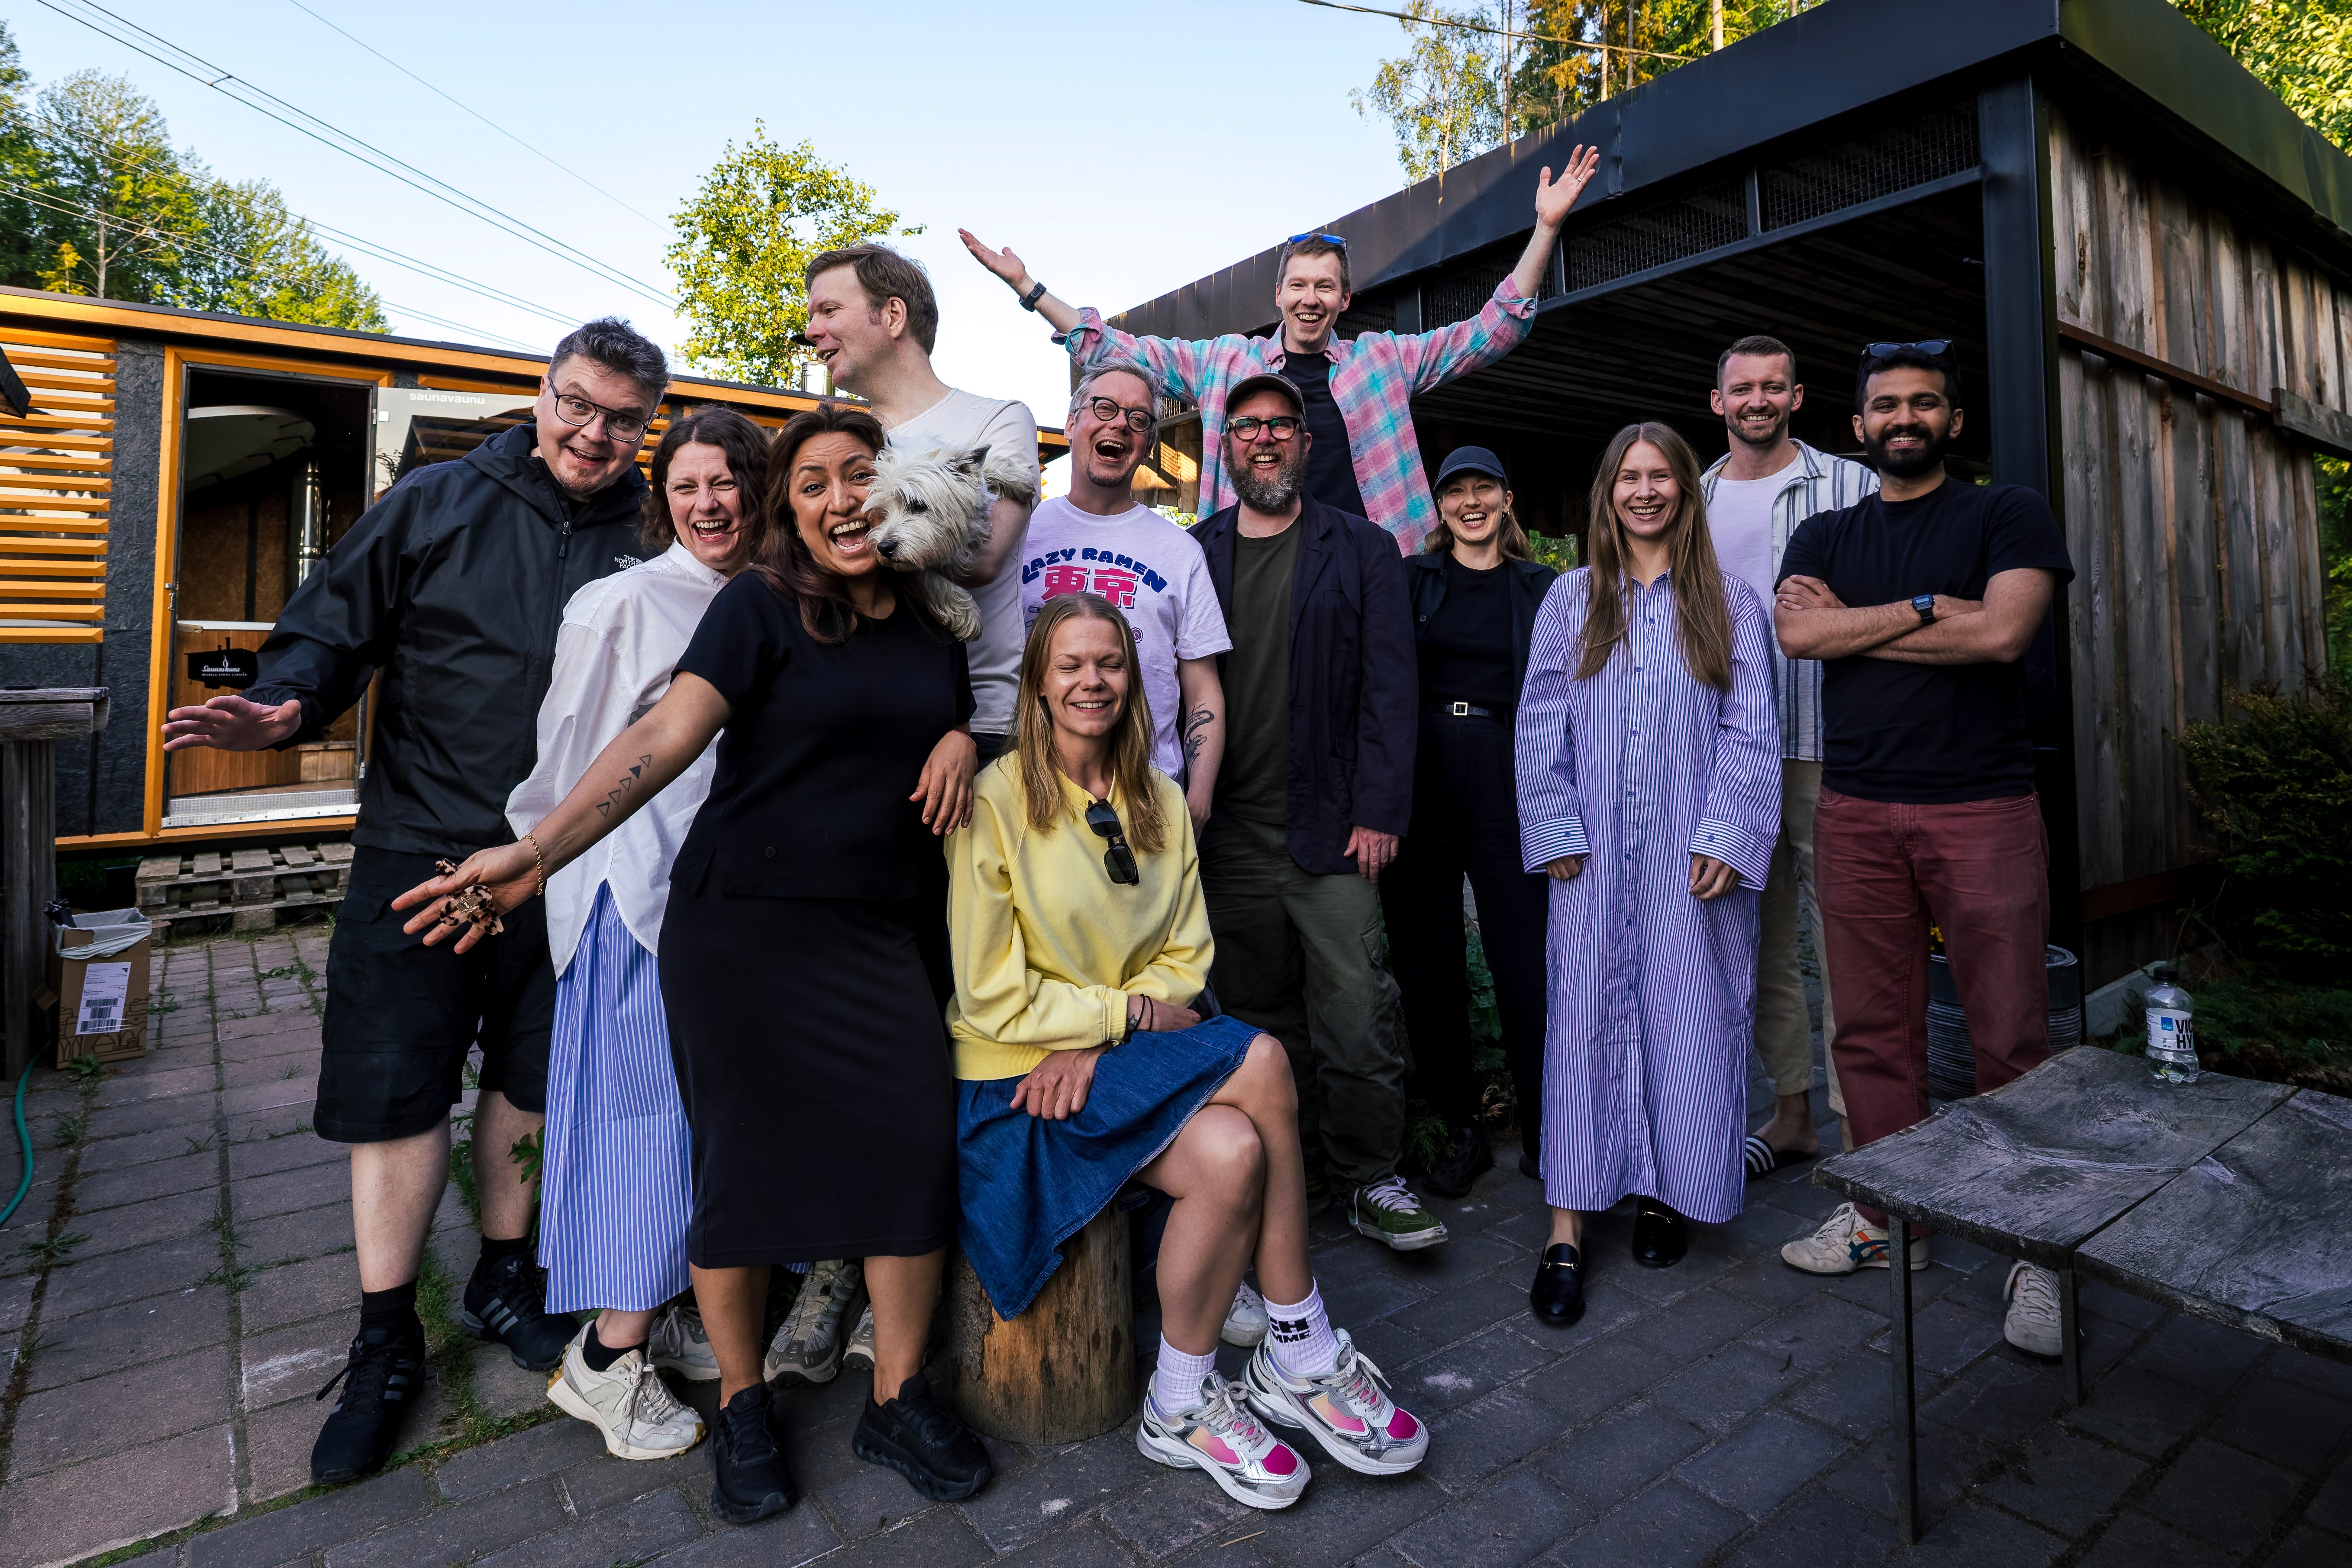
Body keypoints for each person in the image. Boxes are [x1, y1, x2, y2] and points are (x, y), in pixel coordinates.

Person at [395, 406, 992, 1523]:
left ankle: (900, 1395)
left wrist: (964, 736)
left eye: (859, 474)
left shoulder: (929, 625)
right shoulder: (759, 610)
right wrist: (535, 851)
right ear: (789, 511)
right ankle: (746, 1401)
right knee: (740, 1168)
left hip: (878, 933)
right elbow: (660, 741)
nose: (840, 498)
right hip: (744, 935)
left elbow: (948, 724)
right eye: (810, 483)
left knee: (913, 1146)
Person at [159, 319, 670, 1484]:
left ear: (648, 425)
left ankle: (505, 1272)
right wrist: (285, 703)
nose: (596, 433)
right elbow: (333, 627)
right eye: (579, 403)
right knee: (398, 1087)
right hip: (420, 852)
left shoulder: (654, 532)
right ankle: (386, 1330)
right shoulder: (438, 501)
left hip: (570, 864)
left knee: (536, 1076)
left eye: (623, 417)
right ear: (544, 394)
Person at [949, 593, 1428, 1510]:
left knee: (1234, 1150)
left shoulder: (1159, 798)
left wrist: (1109, 1033)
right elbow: (990, 990)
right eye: (1071, 665)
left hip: (1105, 1061)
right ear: (1038, 685)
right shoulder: (996, 799)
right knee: (1260, 1061)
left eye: (1110, 663)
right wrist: (1118, 1019)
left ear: (1135, 678)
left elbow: (1186, 955)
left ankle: (1177, 1399)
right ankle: (1300, 1340)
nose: (1092, 681)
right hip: (1014, 1082)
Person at [1771, 342, 2075, 1362]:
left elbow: (2003, 638)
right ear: (1857, 426)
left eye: (1923, 404)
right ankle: (1888, 1217)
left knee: (2011, 1038)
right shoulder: (1826, 527)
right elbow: (1799, 639)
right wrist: (1931, 607)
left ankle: (2040, 1245)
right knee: (1868, 1032)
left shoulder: (2006, 513)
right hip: (1856, 809)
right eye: (1885, 405)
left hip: (1980, 806)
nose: (1904, 417)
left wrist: (1865, 626)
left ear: (1952, 418)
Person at [506, 406, 775, 1462]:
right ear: (661, 499)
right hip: (636, 897)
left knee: (700, 1124)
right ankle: (607, 1360)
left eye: (728, 483)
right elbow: (565, 752)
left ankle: (656, 1307)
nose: (709, 504)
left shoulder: (768, 600)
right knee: (640, 1126)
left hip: (730, 907)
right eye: (687, 486)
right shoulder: (617, 603)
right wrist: (544, 873)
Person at [958, 143, 1599, 552]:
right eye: (1299, 285)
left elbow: (1495, 328)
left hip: (1374, 566)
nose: (1310, 299)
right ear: (1279, 296)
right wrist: (1030, 288)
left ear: (1344, 301)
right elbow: (1113, 347)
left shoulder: (1383, 361)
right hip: (1257, 564)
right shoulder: (1228, 363)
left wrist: (1545, 227)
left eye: (1325, 287)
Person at [1515, 423, 1779, 1327]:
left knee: (1688, 1015)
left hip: (1690, 853)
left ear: (1683, 491)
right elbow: (1540, 718)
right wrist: (1549, 823)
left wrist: (1731, 830)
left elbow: (1751, 728)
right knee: (1582, 1021)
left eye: (1659, 475)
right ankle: (1565, 1229)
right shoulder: (1568, 600)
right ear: (1607, 492)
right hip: (1589, 854)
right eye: (1627, 475)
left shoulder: (1730, 603)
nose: (1643, 489)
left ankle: (1668, 1189)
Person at [1182, 372, 1434, 1252]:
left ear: (1305, 442)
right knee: (1259, 1024)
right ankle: (1300, 1180)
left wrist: (1379, 810)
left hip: (1332, 828)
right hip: (1228, 838)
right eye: (1246, 426)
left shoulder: (1361, 548)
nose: (1263, 439)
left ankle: (1372, 1177)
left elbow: (1390, 688)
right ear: (1227, 447)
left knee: (1359, 1014)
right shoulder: (1195, 551)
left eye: (1279, 426)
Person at [1696, 336, 1881, 1175]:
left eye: (1773, 387)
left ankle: (1866, 1127)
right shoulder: (1690, 497)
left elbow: (1885, 603)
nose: (1757, 400)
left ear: (1797, 396)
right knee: (1757, 945)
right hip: (1730, 753)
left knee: (1846, 940)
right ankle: (1794, 1114)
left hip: (1825, 741)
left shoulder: (1850, 485)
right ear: (1718, 400)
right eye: (1743, 388)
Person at [1384, 447, 1557, 1198]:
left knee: (1524, 951)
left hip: (1506, 764)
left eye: (1483, 486)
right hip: (1422, 766)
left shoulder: (1542, 587)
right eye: (1455, 491)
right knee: (1428, 956)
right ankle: (1457, 1126)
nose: (1470, 501)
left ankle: (1552, 1126)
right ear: (1440, 507)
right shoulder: (1410, 579)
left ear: (1507, 498)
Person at [803, 242, 1039, 763]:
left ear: (892, 315)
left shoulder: (997, 421)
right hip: (863, 713)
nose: (812, 331)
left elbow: (982, 560)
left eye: (829, 311)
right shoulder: (844, 442)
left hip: (981, 724)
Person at [1019, 365, 1230, 821]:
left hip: (1147, 796)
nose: (1120, 423)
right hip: (1031, 790)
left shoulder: (1180, 550)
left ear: (1149, 445)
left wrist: (1199, 797)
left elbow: (1203, 689)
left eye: (1138, 419)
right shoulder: (1018, 533)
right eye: (1105, 408)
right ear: (1073, 422)